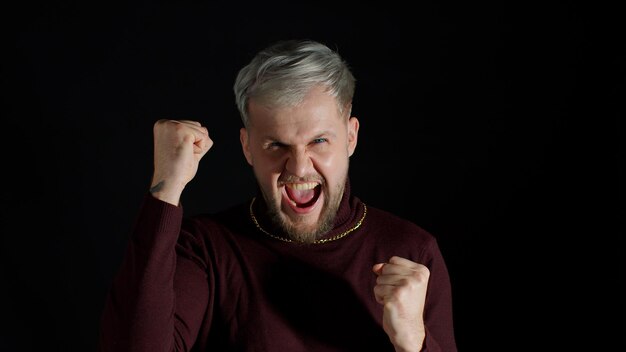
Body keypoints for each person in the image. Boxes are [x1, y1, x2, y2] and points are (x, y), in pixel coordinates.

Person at [98, 39, 457, 352]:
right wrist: (166, 188)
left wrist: (414, 342)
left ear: (351, 137)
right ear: (247, 147)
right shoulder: (205, 248)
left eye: (319, 140)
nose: (299, 168)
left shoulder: (413, 252)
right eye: (276, 145)